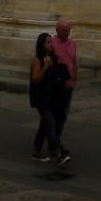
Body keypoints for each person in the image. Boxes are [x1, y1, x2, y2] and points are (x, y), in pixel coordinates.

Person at [29, 32, 71, 166]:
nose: (50, 45)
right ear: (41, 44)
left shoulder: (52, 57)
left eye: (50, 42)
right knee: (50, 124)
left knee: (45, 124)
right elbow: (35, 79)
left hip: (51, 97)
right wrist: (45, 68)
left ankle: (36, 150)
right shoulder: (37, 60)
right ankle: (58, 152)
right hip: (41, 98)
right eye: (47, 42)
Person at [49, 15, 79, 153]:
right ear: (57, 30)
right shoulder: (51, 44)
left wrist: (74, 80)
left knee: (63, 114)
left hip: (68, 85)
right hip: (57, 85)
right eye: (65, 31)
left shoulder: (73, 43)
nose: (67, 33)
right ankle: (53, 143)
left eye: (69, 30)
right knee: (54, 114)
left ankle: (56, 140)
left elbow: (74, 62)